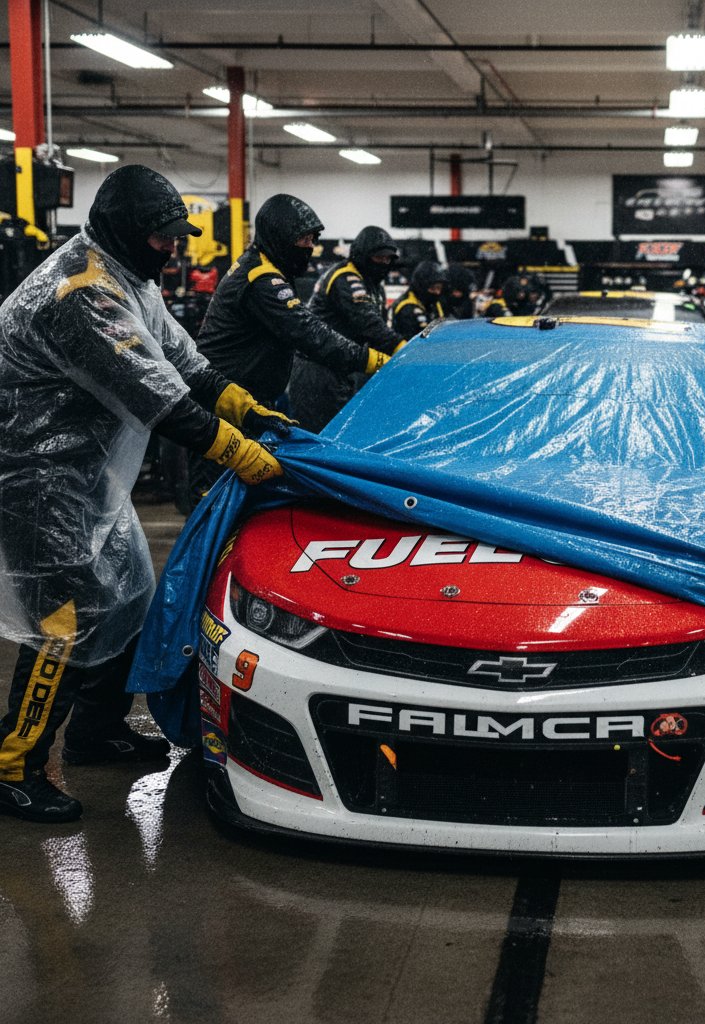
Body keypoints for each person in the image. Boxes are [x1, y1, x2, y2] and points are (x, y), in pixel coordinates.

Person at [0, 165, 289, 822]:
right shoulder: (82, 293)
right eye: (162, 236)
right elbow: (159, 402)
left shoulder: (126, 275)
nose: (174, 247)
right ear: (130, 231)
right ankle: (13, 762)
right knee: (63, 624)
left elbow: (183, 364)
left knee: (126, 597)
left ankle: (95, 731)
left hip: (87, 476)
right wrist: (240, 452)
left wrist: (246, 406)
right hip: (36, 483)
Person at [192, 197, 385, 498]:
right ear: (280, 237)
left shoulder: (266, 267)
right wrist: (371, 360)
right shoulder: (261, 277)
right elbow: (309, 332)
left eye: (312, 239)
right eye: (302, 239)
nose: (308, 247)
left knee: (245, 499)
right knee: (218, 503)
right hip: (226, 405)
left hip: (246, 403)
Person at [287, 225, 405, 432]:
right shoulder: (345, 277)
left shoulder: (373, 286)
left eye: (388, 259)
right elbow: (369, 323)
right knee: (320, 439)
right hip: (317, 369)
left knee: (339, 436)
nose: (384, 263)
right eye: (379, 258)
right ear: (363, 254)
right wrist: (403, 349)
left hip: (343, 366)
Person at [390, 260, 448, 341]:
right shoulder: (406, 307)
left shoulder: (433, 303)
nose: (437, 292)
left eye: (439, 288)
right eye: (433, 288)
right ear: (421, 286)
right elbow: (418, 339)